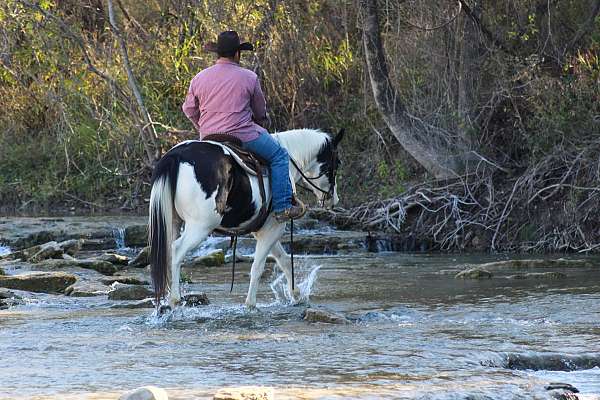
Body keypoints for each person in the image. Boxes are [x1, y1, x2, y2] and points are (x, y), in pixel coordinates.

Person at [182, 31, 305, 222]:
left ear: (218, 53)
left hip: (208, 137)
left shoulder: (199, 77)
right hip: (242, 135)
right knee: (279, 156)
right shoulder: (249, 77)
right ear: (237, 53)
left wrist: (203, 126)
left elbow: (189, 109)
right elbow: (260, 111)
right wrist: (261, 121)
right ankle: (282, 207)